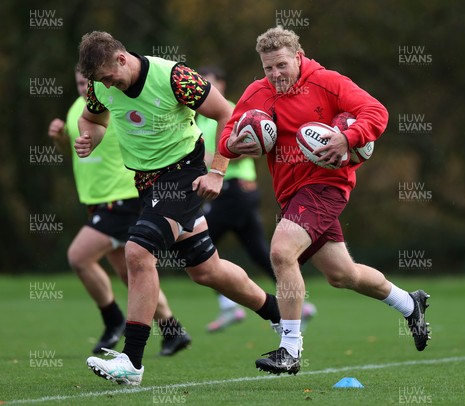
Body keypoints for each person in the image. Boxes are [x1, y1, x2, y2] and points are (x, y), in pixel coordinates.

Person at [218, 26, 431, 375]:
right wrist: (233, 145)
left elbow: (376, 112)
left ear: (298, 58)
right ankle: (410, 304)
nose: (275, 75)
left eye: (282, 66)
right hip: (291, 194)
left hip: (327, 185)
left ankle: (290, 349)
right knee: (342, 274)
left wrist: (348, 139)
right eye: (268, 68)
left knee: (281, 252)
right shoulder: (258, 92)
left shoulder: (327, 82)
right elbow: (228, 131)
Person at [76, 31, 282, 386]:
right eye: (99, 81)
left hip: (183, 174)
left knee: (138, 252)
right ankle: (282, 315)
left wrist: (218, 171)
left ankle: (132, 361)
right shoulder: (100, 85)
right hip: (146, 183)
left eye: (109, 76)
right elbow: (92, 119)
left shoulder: (174, 77)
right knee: (207, 271)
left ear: (122, 59)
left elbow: (226, 113)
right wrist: (89, 138)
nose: (106, 84)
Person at [48, 68, 191, 357]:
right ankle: (172, 330)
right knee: (131, 275)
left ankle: (113, 321)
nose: (81, 87)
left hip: (122, 198)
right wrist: (60, 138)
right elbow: (79, 151)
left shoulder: (115, 101)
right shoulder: (81, 107)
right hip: (97, 200)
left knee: (78, 257)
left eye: (86, 83)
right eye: (76, 82)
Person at [195, 65, 316, 332]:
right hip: (237, 193)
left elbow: (254, 147)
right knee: (261, 252)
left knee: (195, 248)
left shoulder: (230, 110)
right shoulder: (200, 115)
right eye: (201, 82)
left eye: (210, 82)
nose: (205, 86)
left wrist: (210, 158)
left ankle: (230, 307)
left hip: (233, 191)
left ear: (222, 84)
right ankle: (300, 305)